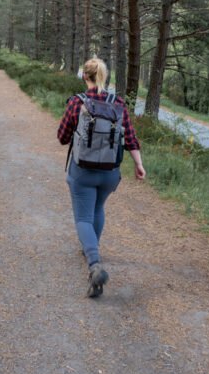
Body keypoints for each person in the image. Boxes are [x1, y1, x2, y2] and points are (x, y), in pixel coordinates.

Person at [57, 57, 145, 297]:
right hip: (109, 173)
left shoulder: (77, 103)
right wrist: (139, 164)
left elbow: (62, 137)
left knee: (83, 217)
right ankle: (91, 247)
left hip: (83, 171)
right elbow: (130, 139)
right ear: (105, 77)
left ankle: (95, 264)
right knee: (98, 208)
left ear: (85, 76)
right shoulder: (118, 103)